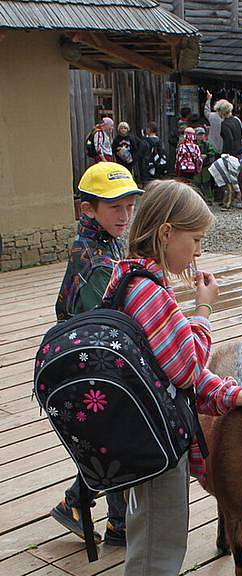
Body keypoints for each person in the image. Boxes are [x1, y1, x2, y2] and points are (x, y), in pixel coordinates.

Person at [103, 180, 242, 576]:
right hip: (156, 441)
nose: (199, 251)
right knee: (162, 536)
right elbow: (186, 366)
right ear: (165, 233)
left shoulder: (129, 278)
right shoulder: (149, 292)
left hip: (143, 432)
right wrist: (204, 309)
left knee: (147, 531)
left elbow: (175, 370)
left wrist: (230, 394)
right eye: (195, 239)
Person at [52, 162, 143, 545]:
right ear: (87, 209)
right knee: (116, 435)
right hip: (88, 362)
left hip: (90, 356)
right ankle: (111, 519)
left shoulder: (103, 240)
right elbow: (107, 319)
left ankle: (86, 507)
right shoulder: (96, 261)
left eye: (128, 205)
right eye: (113, 207)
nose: (124, 215)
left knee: (109, 438)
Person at [194, 127, 217, 204]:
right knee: (197, 183)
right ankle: (198, 198)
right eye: (199, 135)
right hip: (196, 166)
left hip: (205, 165)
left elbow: (212, 152)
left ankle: (209, 198)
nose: (201, 136)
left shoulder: (207, 144)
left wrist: (206, 155)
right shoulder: (193, 144)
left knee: (206, 182)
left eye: (202, 134)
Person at [203, 90, 225, 154]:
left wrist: (208, 99)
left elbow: (206, 111)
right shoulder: (228, 118)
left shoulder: (212, 116)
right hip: (223, 146)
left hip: (213, 145)